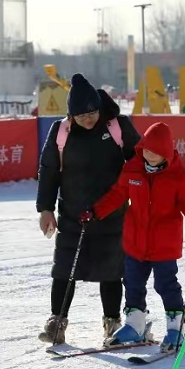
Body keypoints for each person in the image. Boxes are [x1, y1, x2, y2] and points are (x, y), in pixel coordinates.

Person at [36, 73, 141, 345]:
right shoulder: (61, 132)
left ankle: (112, 322)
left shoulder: (117, 126)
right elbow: (48, 172)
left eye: (92, 113)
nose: (88, 119)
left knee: (112, 271)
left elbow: (140, 163)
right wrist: (45, 208)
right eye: (81, 116)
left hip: (112, 214)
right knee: (64, 269)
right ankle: (57, 322)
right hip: (72, 214)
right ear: (71, 115)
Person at [88, 122, 185, 351]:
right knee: (132, 282)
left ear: (166, 152)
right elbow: (118, 194)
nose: (149, 154)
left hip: (164, 244)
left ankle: (176, 329)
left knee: (166, 285)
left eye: (156, 151)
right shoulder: (132, 169)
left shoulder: (178, 176)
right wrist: (96, 211)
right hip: (136, 241)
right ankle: (135, 325)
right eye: (146, 149)